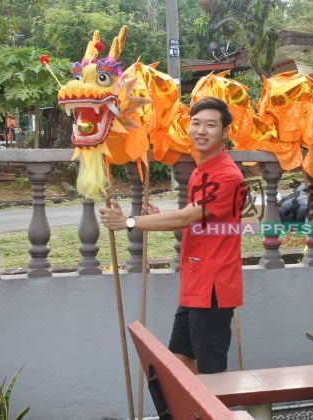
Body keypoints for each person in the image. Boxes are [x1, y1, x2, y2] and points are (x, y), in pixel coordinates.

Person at [99, 96, 247, 374]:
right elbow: (200, 221)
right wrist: (156, 217)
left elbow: (186, 216)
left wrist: (129, 222)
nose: (201, 131)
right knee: (180, 361)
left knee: (211, 371)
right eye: (196, 123)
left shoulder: (227, 175)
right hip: (194, 281)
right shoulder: (200, 171)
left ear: (225, 132)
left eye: (211, 125)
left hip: (213, 286)